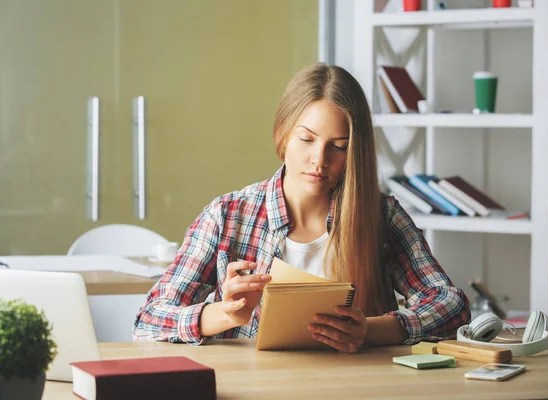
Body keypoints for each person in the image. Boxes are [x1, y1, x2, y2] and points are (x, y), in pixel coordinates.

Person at [133, 63, 470, 353]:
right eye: (306, 140)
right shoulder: (227, 216)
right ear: (282, 133)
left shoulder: (382, 216)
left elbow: (451, 305)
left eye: (338, 147)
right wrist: (225, 314)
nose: (319, 160)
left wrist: (370, 330)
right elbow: (148, 321)